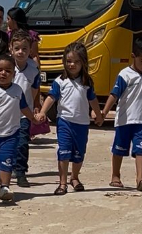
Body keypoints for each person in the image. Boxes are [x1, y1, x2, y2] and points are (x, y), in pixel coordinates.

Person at [36, 42, 104, 195]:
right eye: (69, 61)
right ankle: (62, 183)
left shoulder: (87, 82)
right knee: (64, 151)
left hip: (82, 124)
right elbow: (51, 97)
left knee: (79, 153)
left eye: (76, 61)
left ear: (83, 62)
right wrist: (42, 112)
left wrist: (98, 115)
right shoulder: (60, 81)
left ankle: (74, 177)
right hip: (64, 121)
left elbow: (93, 100)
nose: (72, 64)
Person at [101, 37, 142, 191]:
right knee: (119, 149)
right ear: (133, 56)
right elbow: (114, 94)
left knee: (141, 149)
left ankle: (140, 179)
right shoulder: (125, 75)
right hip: (125, 120)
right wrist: (103, 112)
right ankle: (115, 176)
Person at [0, 55, 40, 202]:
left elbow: (24, 107)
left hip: (11, 134)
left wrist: (33, 119)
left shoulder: (17, 90)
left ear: (14, 74)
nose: (3, 73)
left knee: (7, 160)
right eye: (0, 70)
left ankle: (5, 187)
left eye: (8, 71)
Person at [0, 30, 41, 188]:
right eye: (17, 48)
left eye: (25, 48)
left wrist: (34, 107)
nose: (20, 52)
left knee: (22, 144)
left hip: (22, 113)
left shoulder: (33, 68)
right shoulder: (4, 65)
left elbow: (34, 90)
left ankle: (21, 172)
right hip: (2, 114)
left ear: (30, 50)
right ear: (11, 48)